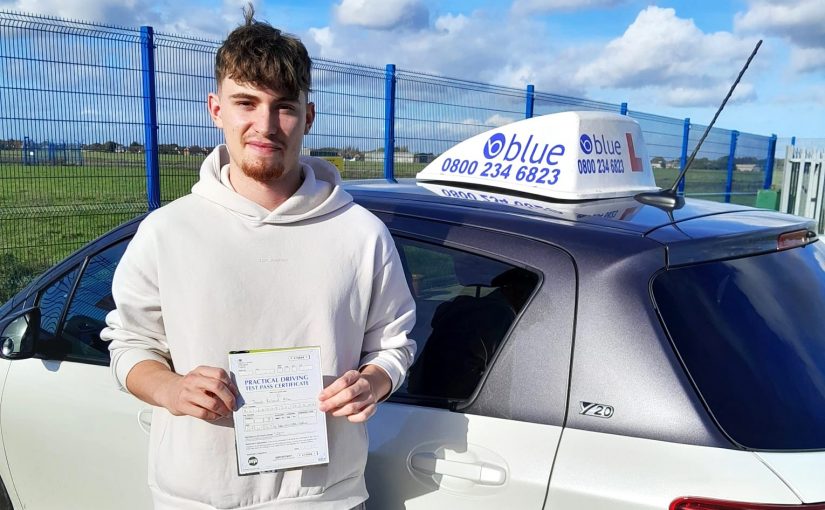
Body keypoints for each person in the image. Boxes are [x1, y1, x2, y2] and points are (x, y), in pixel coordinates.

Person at [101, 7, 416, 510]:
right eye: (246, 102)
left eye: (284, 106)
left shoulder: (362, 235)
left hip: (326, 498)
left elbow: (394, 345)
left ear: (308, 116)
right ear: (216, 109)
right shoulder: (167, 231)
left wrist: (372, 384)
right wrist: (169, 388)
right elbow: (129, 344)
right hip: (196, 499)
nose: (265, 124)